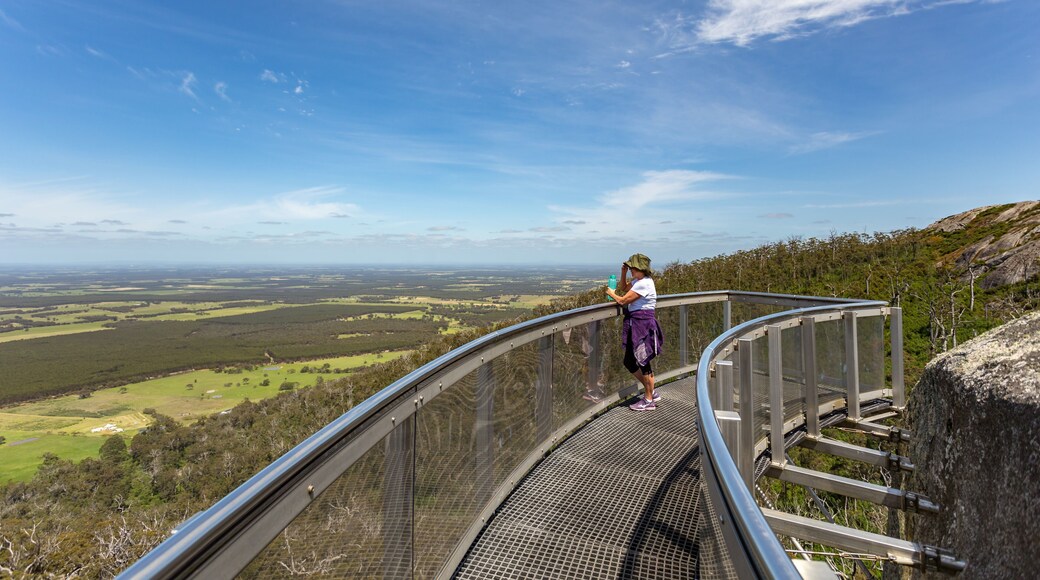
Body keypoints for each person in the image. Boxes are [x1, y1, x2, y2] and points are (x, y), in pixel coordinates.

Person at [605, 253, 664, 411]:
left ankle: (648, 400)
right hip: (637, 323)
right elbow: (625, 288)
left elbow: (623, 300)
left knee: (643, 361)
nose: (630, 269)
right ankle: (650, 391)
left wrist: (610, 293)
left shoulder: (643, 283)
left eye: (632, 267)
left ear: (640, 268)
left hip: (641, 324)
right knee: (630, 361)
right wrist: (623, 272)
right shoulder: (641, 281)